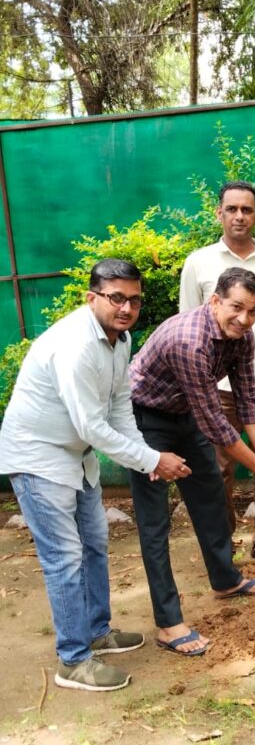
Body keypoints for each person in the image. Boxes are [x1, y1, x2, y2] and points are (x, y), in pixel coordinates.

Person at [0, 260, 190, 692]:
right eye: (116, 297)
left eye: (134, 299)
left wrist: (146, 453)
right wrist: (152, 460)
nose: (126, 307)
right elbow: (90, 425)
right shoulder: (75, 345)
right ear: (92, 298)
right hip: (38, 456)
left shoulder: (119, 340)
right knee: (65, 559)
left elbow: (120, 405)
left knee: (95, 543)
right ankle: (73, 660)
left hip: (76, 456)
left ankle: (97, 631)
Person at [129, 266, 255, 656]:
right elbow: (218, 427)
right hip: (144, 420)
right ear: (215, 300)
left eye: (253, 310)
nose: (245, 318)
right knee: (155, 523)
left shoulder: (242, 336)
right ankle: (169, 623)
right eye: (237, 307)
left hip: (186, 414)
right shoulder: (190, 341)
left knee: (209, 499)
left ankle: (226, 579)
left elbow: (249, 400)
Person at [179, 180, 255, 562]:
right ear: (218, 213)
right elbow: (185, 323)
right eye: (231, 209)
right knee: (218, 469)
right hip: (213, 387)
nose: (239, 216)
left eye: (246, 210)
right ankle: (223, 545)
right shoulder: (198, 263)